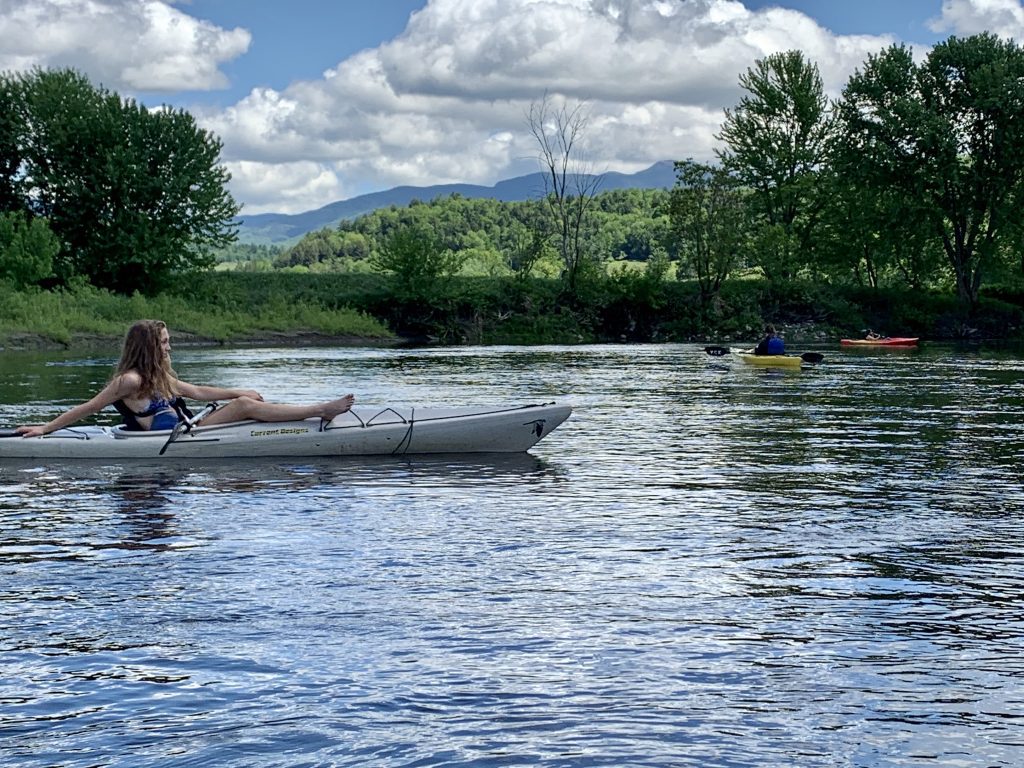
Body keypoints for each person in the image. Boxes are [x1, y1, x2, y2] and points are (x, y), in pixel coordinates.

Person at [16, 319, 355, 437]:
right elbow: (89, 408)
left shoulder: (158, 374)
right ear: (149, 346)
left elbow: (195, 391)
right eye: (163, 342)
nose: (168, 346)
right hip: (174, 437)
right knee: (241, 407)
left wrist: (238, 388)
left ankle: (310, 412)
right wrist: (45, 429)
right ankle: (320, 410)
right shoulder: (130, 381)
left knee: (240, 401)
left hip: (188, 430)